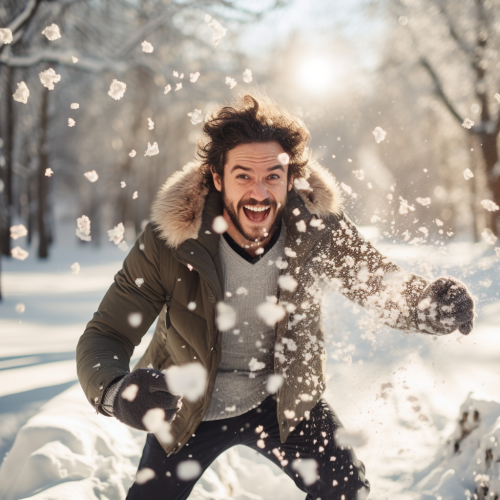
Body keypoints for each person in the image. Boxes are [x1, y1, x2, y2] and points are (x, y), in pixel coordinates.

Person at [76, 94, 475, 500]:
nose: (259, 192)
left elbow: (377, 283)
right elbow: (106, 333)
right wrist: (114, 392)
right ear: (217, 178)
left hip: (283, 399)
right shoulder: (171, 241)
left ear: (290, 178)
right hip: (188, 405)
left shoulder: (316, 229)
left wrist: (427, 304)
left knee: (346, 489)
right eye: (244, 175)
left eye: (272, 176)